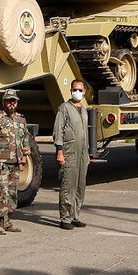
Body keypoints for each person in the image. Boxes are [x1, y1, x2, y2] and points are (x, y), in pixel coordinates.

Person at [0, 89, 30, 234]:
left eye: (14, 101)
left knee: (12, 193)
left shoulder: (21, 120)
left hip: (15, 162)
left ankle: (8, 221)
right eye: (9, 100)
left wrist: (24, 159)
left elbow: (25, 141)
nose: (11, 103)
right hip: (1, 162)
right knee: (0, 192)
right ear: (3, 102)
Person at [53, 79, 90, 230]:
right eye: (75, 89)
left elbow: (85, 133)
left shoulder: (84, 109)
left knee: (80, 185)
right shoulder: (64, 108)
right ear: (71, 91)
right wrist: (60, 151)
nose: (77, 92)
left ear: (84, 92)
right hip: (69, 151)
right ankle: (65, 218)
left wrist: (86, 153)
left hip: (82, 152)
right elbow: (58, 130)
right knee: (68, 185)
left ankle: (75, 216)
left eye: (80, 90)